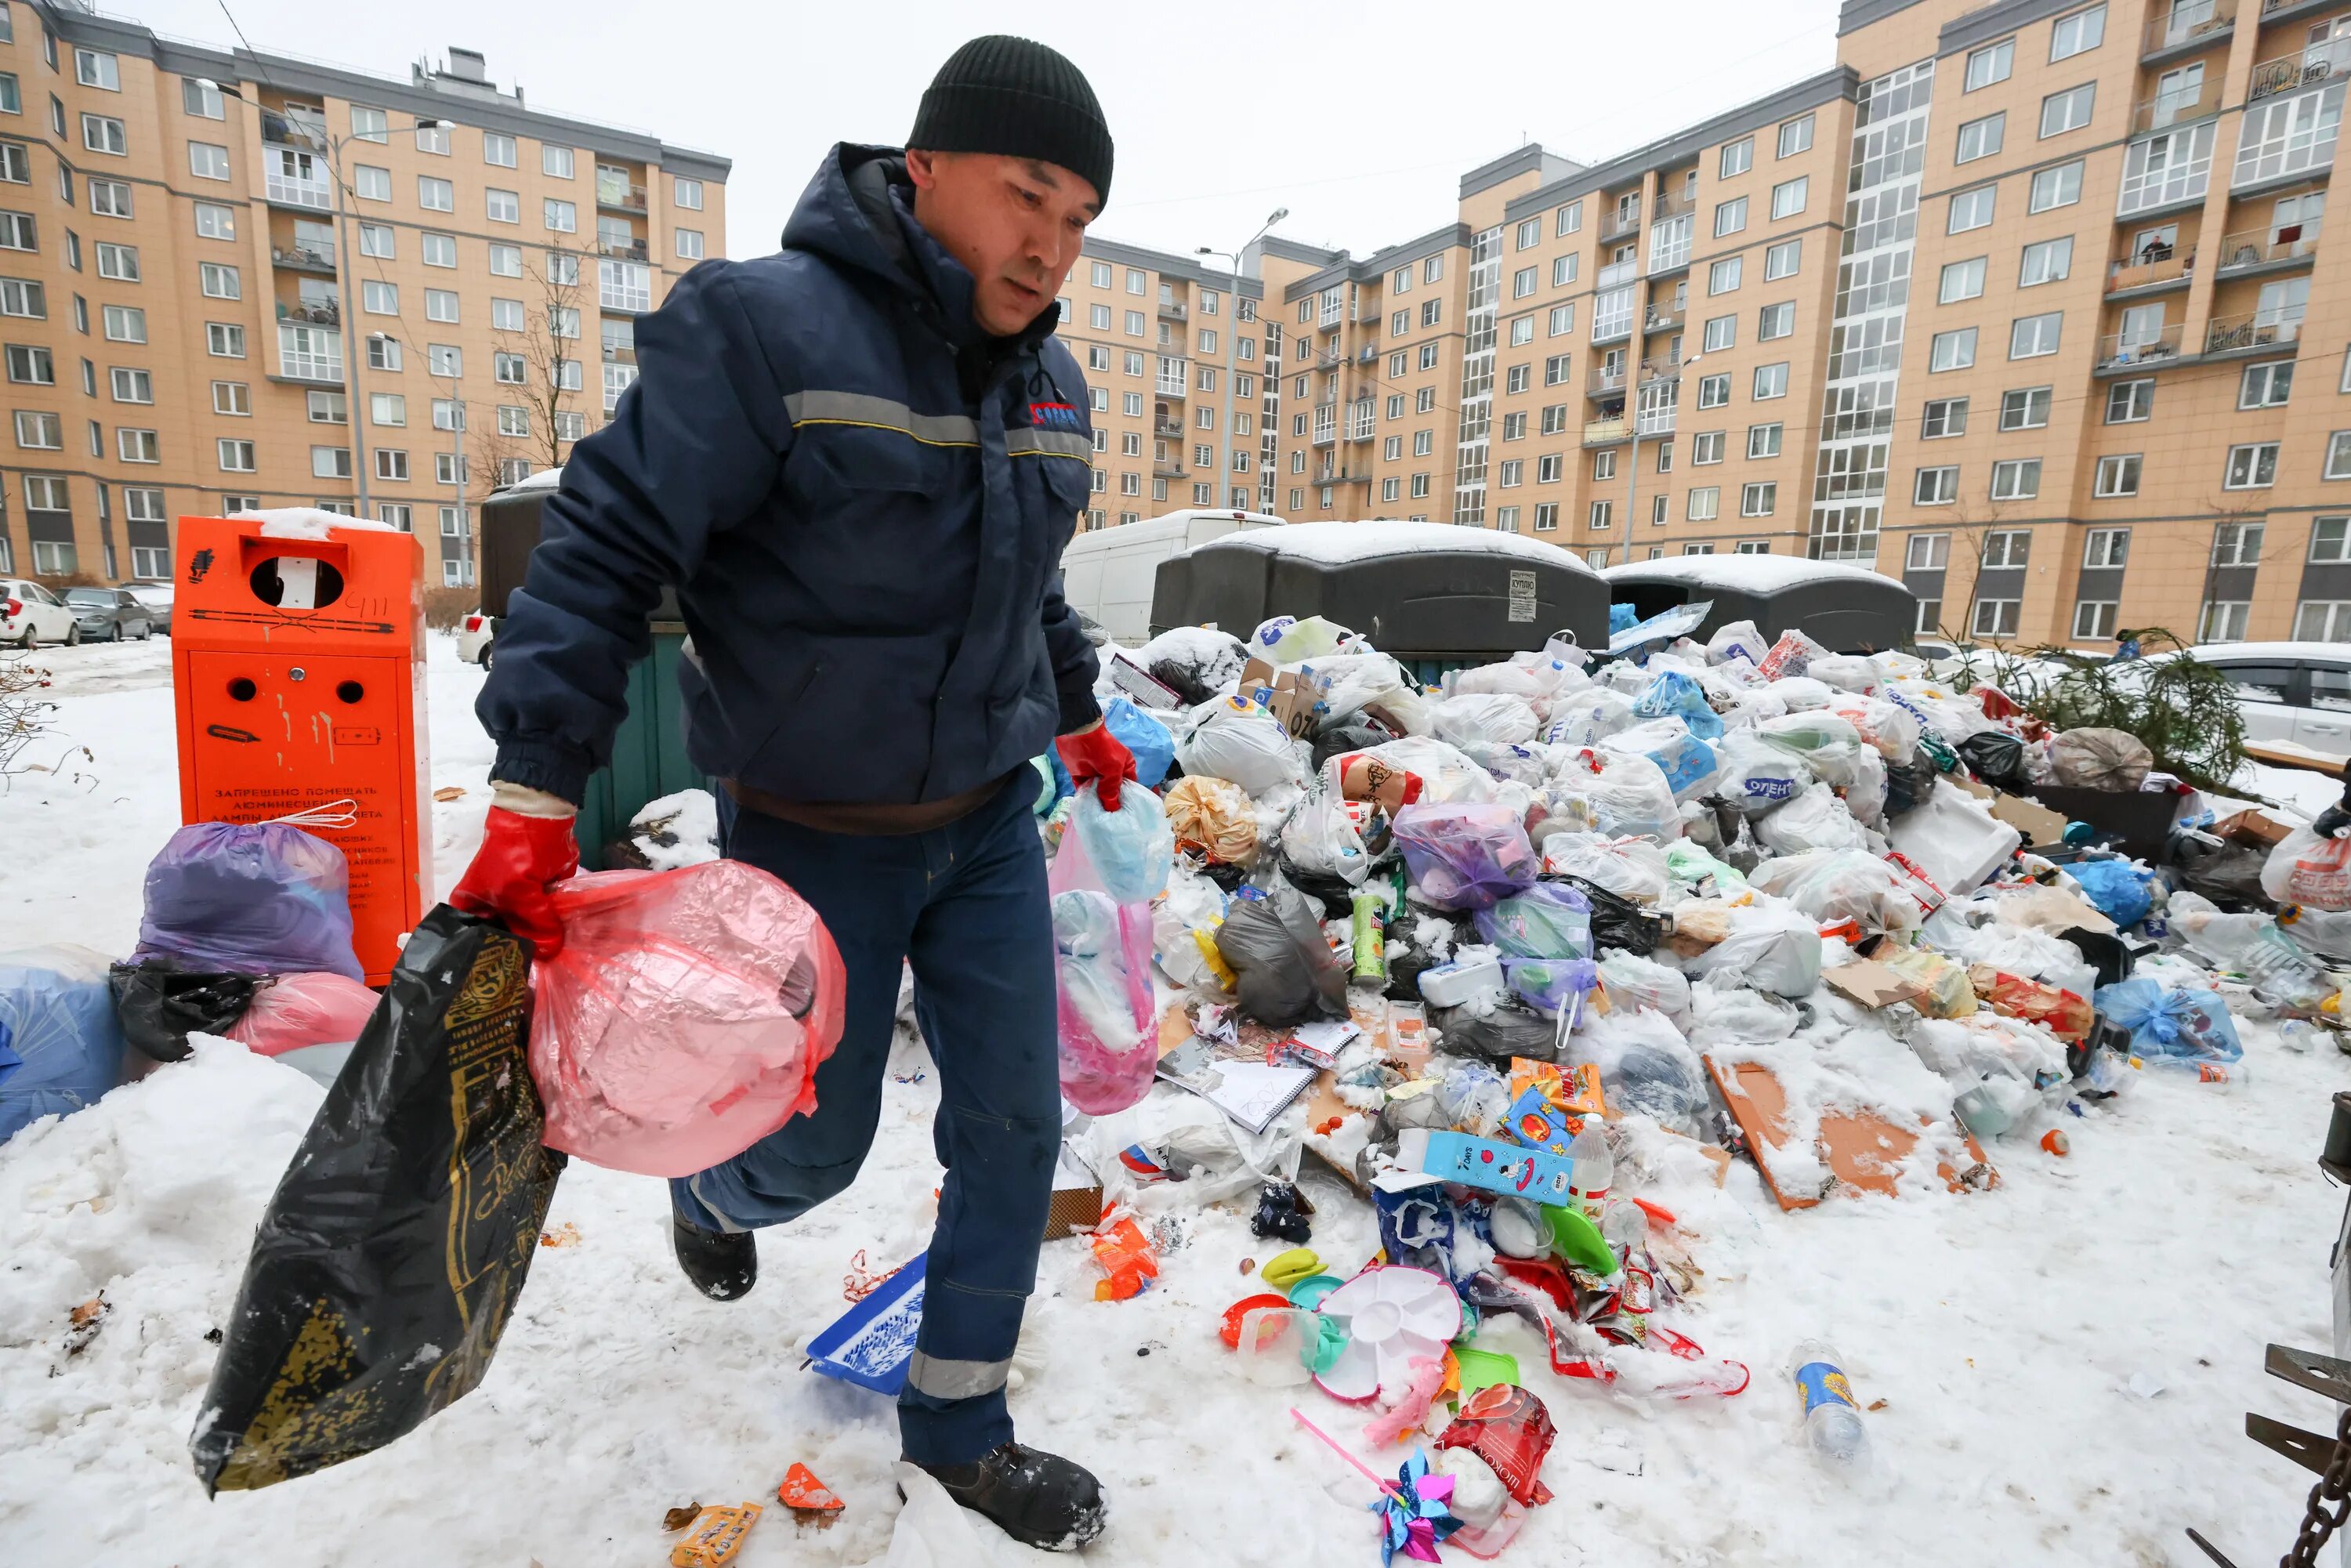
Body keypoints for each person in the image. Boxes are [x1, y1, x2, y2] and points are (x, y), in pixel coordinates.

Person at [451, 35, 1136, 1552]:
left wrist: (1074, 717)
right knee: (808, 1152)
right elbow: (604, 547)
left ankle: (960, 1423)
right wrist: (532, 788)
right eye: (1028, 196)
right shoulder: (764, 328)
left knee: (1018, 1124)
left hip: (982, 828)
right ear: (922, 169)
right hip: (809, 837)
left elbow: (1027, 581)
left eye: (1080, 219)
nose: (1051, 244)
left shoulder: (1053, 378)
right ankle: (711, 1183)